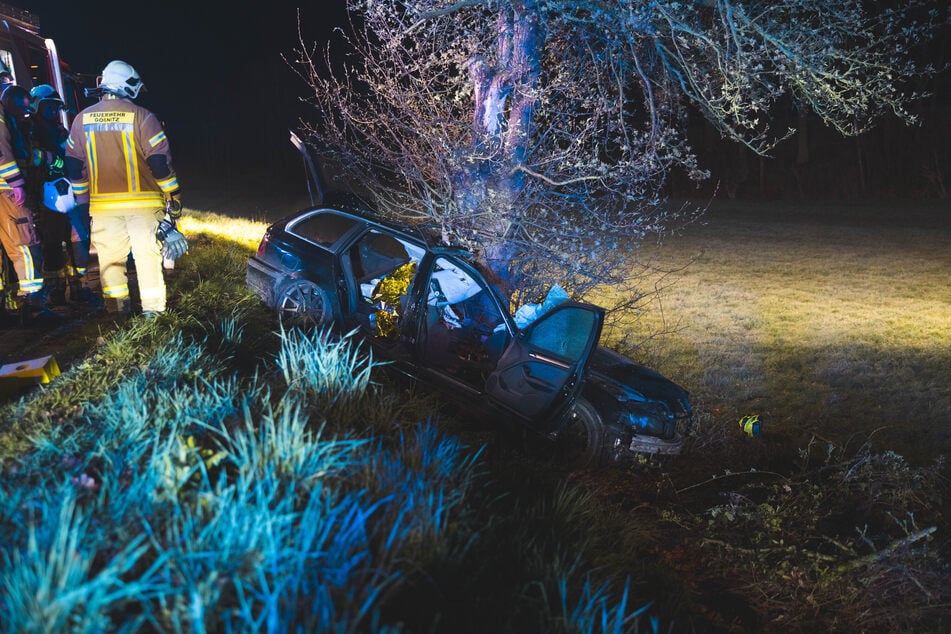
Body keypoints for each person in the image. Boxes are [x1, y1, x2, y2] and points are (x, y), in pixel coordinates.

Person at [65, 60, 187, 317]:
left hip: (103, 208)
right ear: (128, 86)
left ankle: (118, 316)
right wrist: (173, 197)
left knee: (110, 263)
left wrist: (82, 201)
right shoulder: (143, 117)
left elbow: (74, 166)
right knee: (147, 261)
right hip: (144, 206)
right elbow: (159, 164)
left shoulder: (81, 120)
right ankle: (153, 316)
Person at [28, 84, 93, 305]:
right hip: (43, 195)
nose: (54, 112)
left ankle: (78, 287)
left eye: (56, 108)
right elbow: (29, 157)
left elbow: (71, 153)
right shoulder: (30, 129)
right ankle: (56, 291)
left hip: (66, 192)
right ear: (38, 107)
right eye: (49, 107)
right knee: (51, 244)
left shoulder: (60, 130)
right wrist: (49, 158)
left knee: (76, 239)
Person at [0, 84, 49, 319]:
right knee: (25, 244)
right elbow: (4, 152)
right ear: (9, 101)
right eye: (22, 107)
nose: (24, 113)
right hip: (7, 192)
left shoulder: (9, 118)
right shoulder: (2, 118)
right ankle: (34, 304)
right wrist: (17, 182)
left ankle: (7, 306)